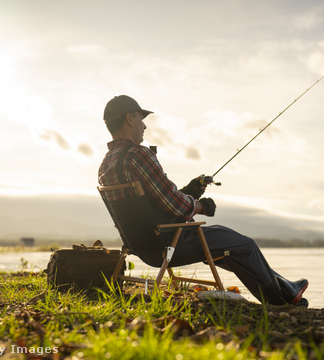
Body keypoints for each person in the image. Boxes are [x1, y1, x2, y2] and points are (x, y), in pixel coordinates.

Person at [98, 95, 308, 306]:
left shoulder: (106, 164)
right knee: (245, 245)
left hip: (142, 245)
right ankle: (279, 301)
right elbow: (175, 204)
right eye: (140, 118)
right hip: (170, 242)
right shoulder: (139, 155)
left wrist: (192, 190)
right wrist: (202, 206)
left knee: (230, 250)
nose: (144, 126)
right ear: (129, 119)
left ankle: (286, 289)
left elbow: (154, 204)